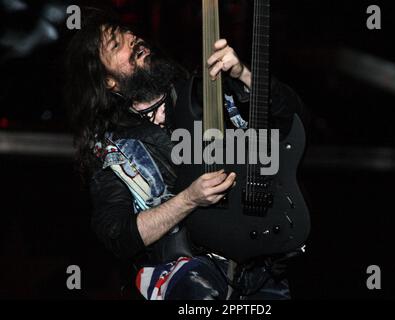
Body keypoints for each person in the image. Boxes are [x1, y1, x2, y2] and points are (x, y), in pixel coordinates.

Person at [66, 9, 306, 300]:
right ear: (108, 83)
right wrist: (188, 199)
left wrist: (242, 73)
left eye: (129, 33)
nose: (133, 39)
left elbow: (291, 120)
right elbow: (119, 236)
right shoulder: (112, 150)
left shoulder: (209, 90)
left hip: (261, 267)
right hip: (186, 277)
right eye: (117, 44)